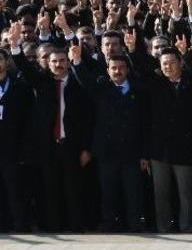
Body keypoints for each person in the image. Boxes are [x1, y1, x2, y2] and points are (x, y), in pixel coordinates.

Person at [8, 27, 93, 233]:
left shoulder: (79, 84)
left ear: (68, 62)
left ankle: (76, 228)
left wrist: (86, 149)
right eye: (54, 61)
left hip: (72, 147)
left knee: (74, 190)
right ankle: (53, 227)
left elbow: (88, 121)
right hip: (47, 147)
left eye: (62, 61)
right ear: (48, 63)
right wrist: (15, 45)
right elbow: (25, 68)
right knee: (50, 190)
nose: (58, 65)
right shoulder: (42, 82)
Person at [70, 45, 148, 233]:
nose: (117, 71)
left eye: (121, 68)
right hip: (107, 152)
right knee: (108, 191)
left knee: (133, 191)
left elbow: (146, 124)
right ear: (108, 70)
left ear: (127, 69)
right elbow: (85, 81)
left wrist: (145, 154)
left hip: (132, 151)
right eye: (113, 68)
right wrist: (77, 61)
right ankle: (109, 222)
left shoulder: (139, 91)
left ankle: (134, 222)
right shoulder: (102, 88)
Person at [140, 47, 192, 234]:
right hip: (159, 149)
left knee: (186, 192)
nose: (168, 66)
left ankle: (187, 226)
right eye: (164, 63)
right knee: (160, 193)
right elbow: (141, 65)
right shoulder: (155, 84)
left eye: (172, 62)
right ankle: (164, 226)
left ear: (180, 63)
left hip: (185, 147)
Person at [0, 49, 33, 231]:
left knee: (15, 190)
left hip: (12, 148)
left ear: (6, 62)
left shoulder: (20, 87)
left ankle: (20, 223)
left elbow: (28, 120)